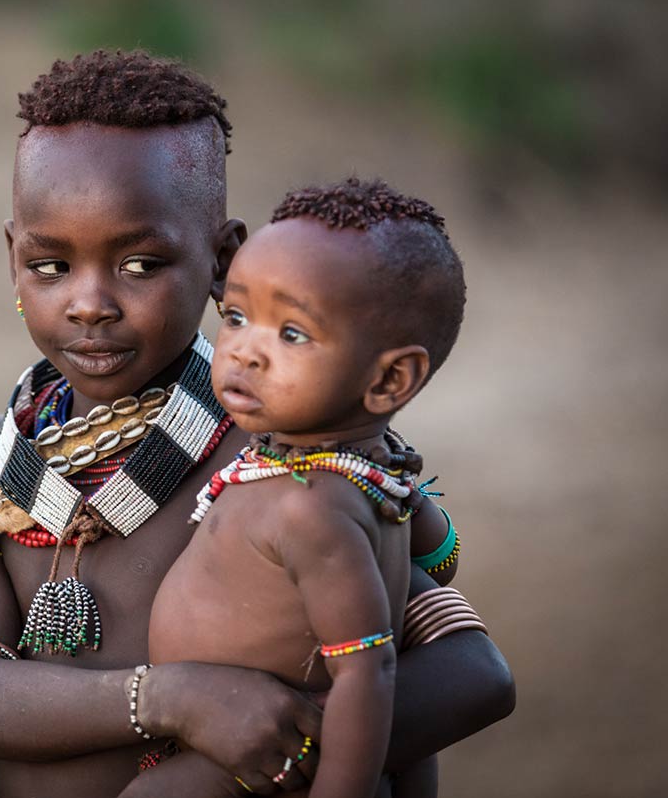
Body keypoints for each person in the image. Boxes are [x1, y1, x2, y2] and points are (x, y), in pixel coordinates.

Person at [0, 51, 514, 798]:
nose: (89, 303)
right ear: (13, 259)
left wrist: (254, 751)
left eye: (141, 263)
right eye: (51, 265)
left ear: (222, 262)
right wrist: (178, 699)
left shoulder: (286, 459)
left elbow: (473, 673)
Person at [140, 178, 468, 798]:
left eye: (291, 334)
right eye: (235, 317)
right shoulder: (366, 474)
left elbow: (368, 672)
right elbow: (442, 559)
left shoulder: (312, 507)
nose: (244, 353)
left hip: (264, 760)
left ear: (391, 379)